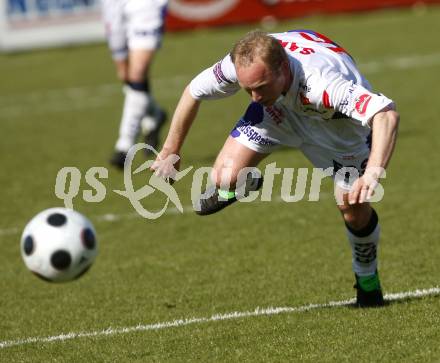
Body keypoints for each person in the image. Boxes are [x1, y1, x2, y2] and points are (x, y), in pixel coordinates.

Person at [151, 30, 400, 307]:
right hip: (278, 112)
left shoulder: (322, 84)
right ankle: (243, 184)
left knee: (352, 209)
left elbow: (386, 113)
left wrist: (373, 172)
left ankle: (367, 279)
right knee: (223, 178)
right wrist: (170, 151)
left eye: (260, 86)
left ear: (283, 67)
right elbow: (193, 92)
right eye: (248, 90)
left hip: (339, 132)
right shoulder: (244, 63)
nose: (254, 97)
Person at [102, 0, 168, 169]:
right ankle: (155, 114)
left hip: (145, 5)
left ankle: (124, 146)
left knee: (137, 72)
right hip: (112, 5)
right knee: (125, 75)